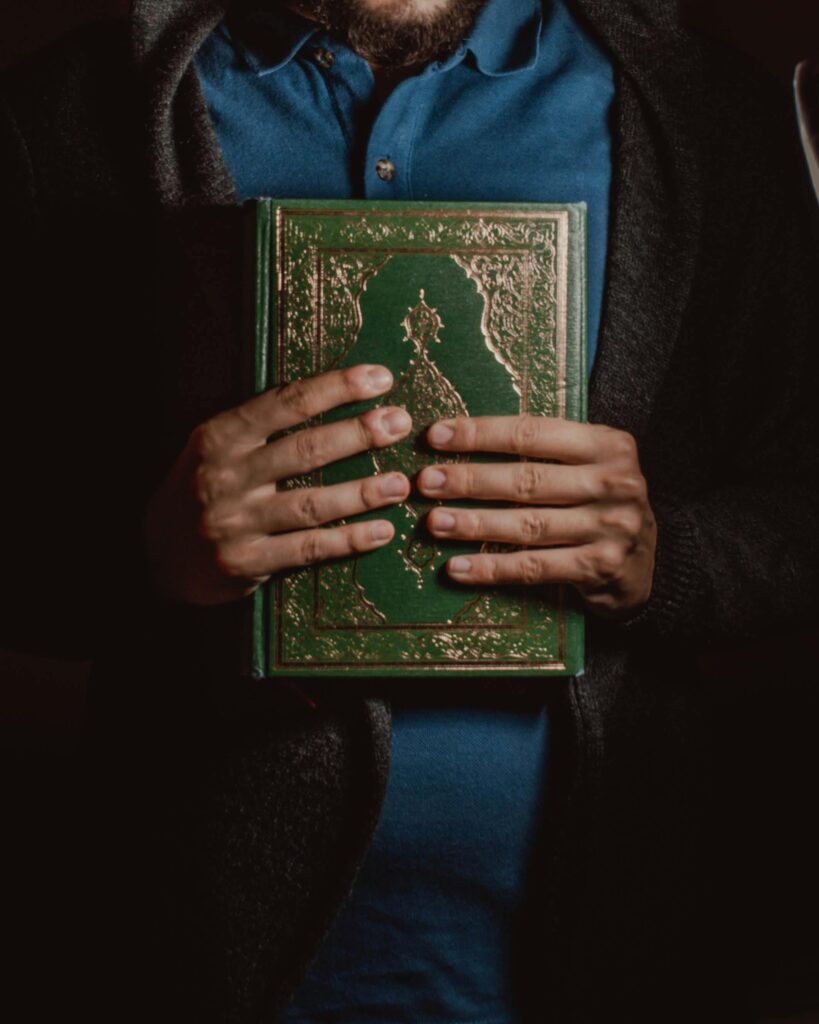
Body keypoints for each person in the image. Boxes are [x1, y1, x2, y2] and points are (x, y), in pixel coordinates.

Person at [1, 0, 818, 1021]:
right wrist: (143, 553)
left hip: (608, 955)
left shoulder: (703, 114)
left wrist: (670, 557)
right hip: (193, 959)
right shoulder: (74, 115)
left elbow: (802, 506)